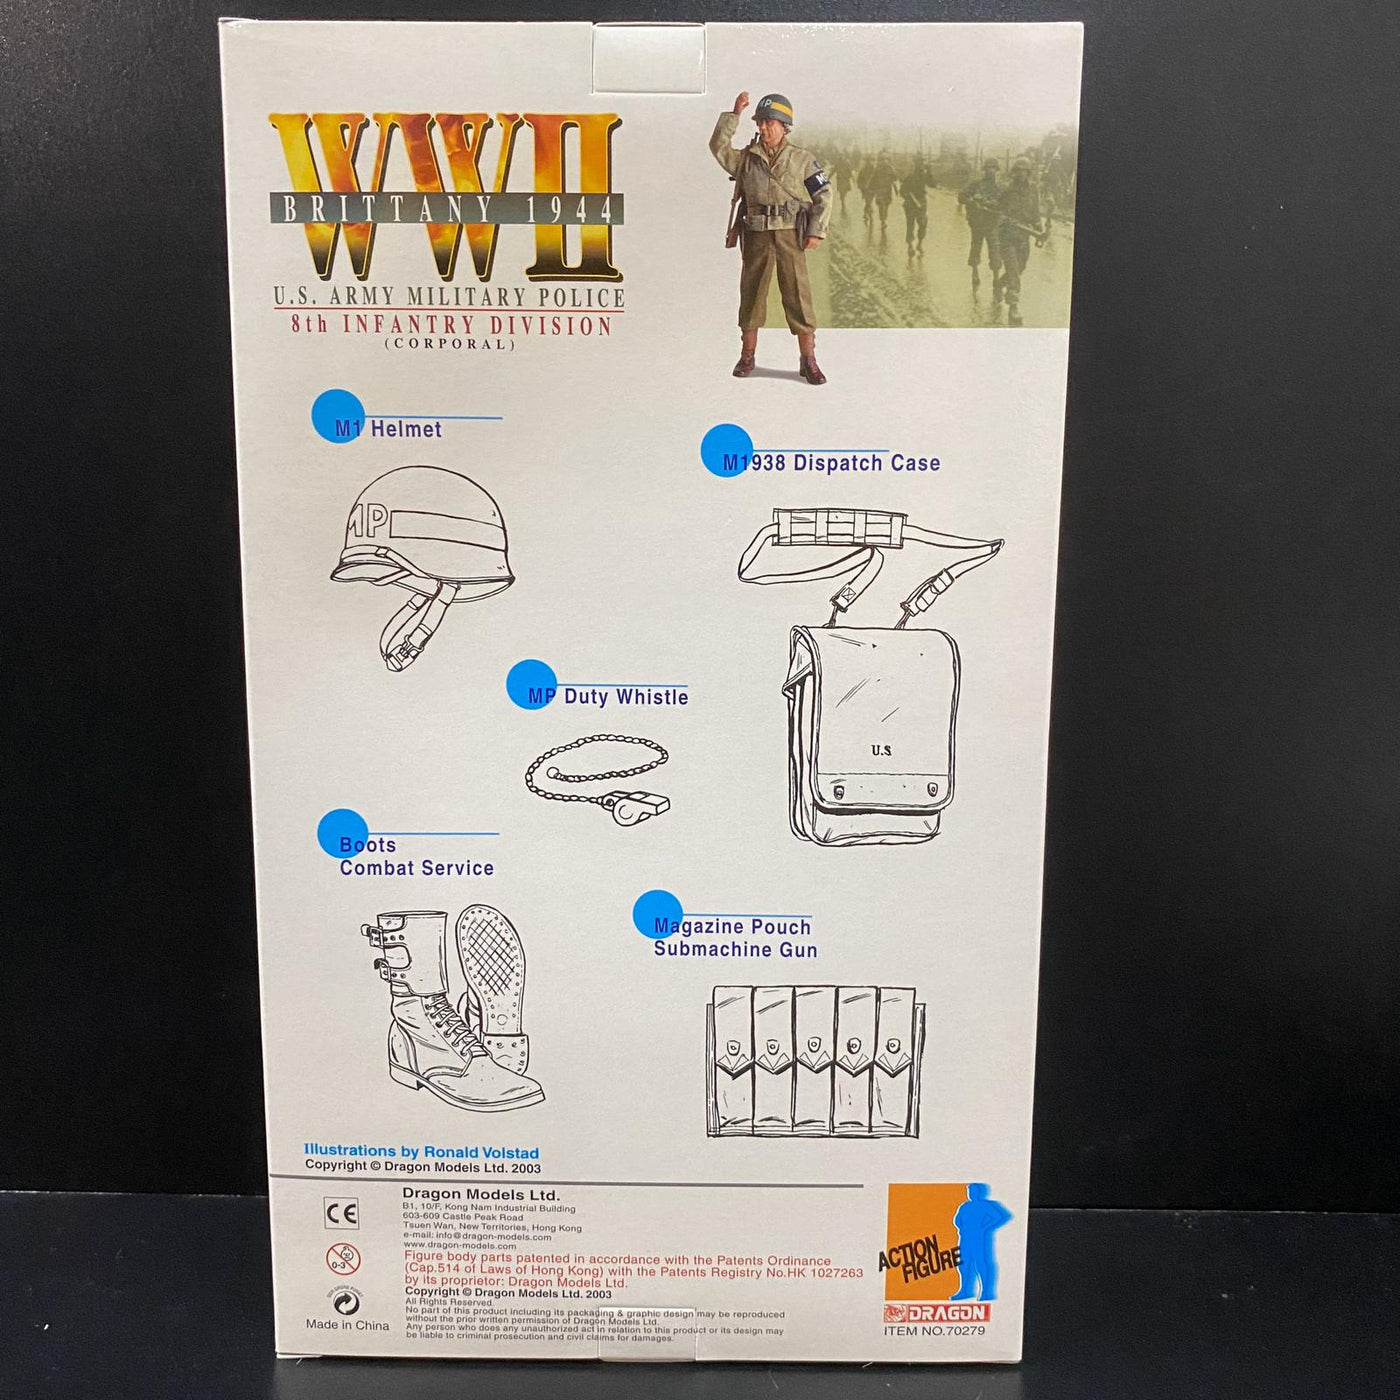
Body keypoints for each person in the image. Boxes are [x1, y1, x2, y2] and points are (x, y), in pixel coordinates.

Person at [710, 91, 833, 385]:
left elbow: (824, 194)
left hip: (790, 234)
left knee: (798, 295)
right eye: (760, 123)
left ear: (784, 126)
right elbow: (718, 147)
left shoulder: (802, 158)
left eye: (770, 123)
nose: (764, 128)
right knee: (751, 294)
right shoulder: (746, 159)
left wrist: (816, 230)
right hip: (756, 235)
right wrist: (734, 115)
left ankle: (808, 360)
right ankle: (747, 356)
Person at [992, 155, 1047, 326]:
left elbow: (1035, 211)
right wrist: (1002, 216)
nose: (1021, 174)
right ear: (1014, 172)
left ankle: (999, 284)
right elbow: (996, 206)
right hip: (1007, 235)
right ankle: (1013, 307)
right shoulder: (1007, 189)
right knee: (1014, 271)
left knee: (1020, 267)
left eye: (1024, 171)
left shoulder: (1033, 189)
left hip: (1024, 235)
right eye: (1018, 171)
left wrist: (1039, 229)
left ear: (1029, 173)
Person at [950, 1183, 1012, 1302]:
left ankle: (985, 1292)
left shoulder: (983, 1205)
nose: (971, 1194)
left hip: (978, 1238)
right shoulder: (965, 1206)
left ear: (978, 1192)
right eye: (969, 1191)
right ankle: (964, 1291)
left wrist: (985, 1227)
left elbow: (997, 1217)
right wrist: (961, 1227)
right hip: (965, 1238)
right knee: (963, 1264)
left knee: (980, 1263)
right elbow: (957, 1220)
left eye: (973, 1191)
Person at [958, 156, 1003, 292]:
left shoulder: (1000, 188)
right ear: (984, 170)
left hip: (992, 223)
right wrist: (971, 202)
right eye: (988, 168)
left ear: (996, 170)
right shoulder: (976, 184)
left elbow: (1005, 204)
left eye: (993, 168)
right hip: (977, 222)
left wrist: (992, 204)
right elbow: (961, 196)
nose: (990, 171)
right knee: (976, 247)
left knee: (995, 250)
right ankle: (975, 273)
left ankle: (996, 278)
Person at [898, 154, 931, 257]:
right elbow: (902, 191)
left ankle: (919, 244)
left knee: (923, 224)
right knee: (910, 225)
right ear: (915, 164)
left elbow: (933, 184)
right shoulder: (910, 177)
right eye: (919, 163)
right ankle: (910, 246)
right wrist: (908, 196)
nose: (921, 165)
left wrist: (930, 171)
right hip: (910, 205)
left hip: (922, 204)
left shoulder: (925, 176)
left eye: (922, 162)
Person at [869, 151, 897, 236]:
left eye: (886, 159)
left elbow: (895, 177)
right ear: (880, 160)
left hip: (887, 190)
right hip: (880, 190)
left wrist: (893, 181)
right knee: (881, 206)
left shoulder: (890, 168)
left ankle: (884, 219)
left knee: (886, 205)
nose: (884, 161)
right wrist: (870, 188)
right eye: (882, 159)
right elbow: (873, 178)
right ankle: (883, 221)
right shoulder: (877, 169)